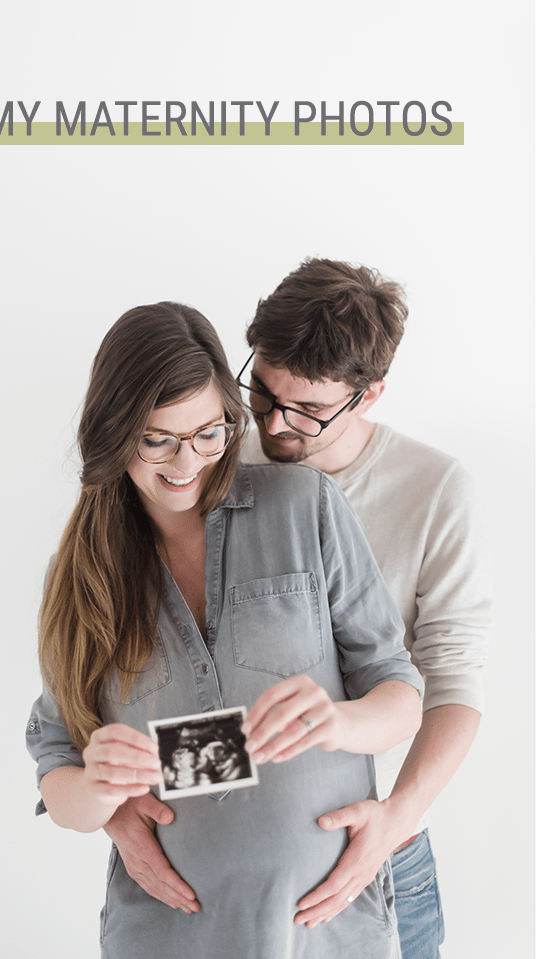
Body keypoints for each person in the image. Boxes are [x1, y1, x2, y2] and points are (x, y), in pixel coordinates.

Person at [106, 265, 491, 959]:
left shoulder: (433, 489)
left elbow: (449, 685)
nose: (274, 422)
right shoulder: (208, 457)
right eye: (263, 389)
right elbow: (171, 682)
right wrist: (116, 804)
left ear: (369, 394)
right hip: (210, 865)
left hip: (381, 847)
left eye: (307, 408)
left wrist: (394, 821)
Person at [26, 300, 423, 959]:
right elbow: (56, 761)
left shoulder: (305, 506)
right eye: (157, 439)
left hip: (328, 933)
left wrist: (337, 721)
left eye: (210, 433)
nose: (188, 462)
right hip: (168, 935)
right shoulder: (77, 578)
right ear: (115, 431)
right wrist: (95, 788)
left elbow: (400, 694)